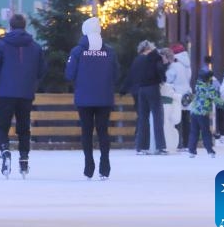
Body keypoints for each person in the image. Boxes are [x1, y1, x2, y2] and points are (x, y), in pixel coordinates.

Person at [0, 13, 45, 178]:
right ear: (24, 26)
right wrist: (31, 82)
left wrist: (3, 79)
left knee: (2, 125)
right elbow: (42, 69)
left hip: (6, 91)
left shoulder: (2, 45)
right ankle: (24, 158)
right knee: (24, 127)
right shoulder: (35, 47)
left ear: (11, 26)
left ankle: (5, 150)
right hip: (26, 93)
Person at [65, 17, 117, 179]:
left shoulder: (77, 51)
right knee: (103, 131)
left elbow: (69, 74)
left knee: (86, 132)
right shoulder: (109, 51)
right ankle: (105, 166)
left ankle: (89, 166)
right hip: (104, 97)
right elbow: (116, 73)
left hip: (84, 98)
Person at [129, 40, 167, 154]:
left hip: (141, 89)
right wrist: (163, 79)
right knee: (157, 117)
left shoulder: (137, 60)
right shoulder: (155, 57)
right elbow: (160, 69)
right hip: (153, 87)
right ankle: (160, 146)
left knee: (143, 118)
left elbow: (132, 75)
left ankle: (141, 147)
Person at [188, 69, 224, 158]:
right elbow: (216, 99)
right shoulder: (209, 88)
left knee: (194, 132)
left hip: (194, 111)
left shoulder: (197, 85)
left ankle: (191, 151)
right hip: (203, 113)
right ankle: (210, 151)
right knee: (206, 132)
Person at [165, 43, 192, 150]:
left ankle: (177, 143)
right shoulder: (187, 66)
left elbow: (168, 79)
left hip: (177, 94)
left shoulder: (174, 65)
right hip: (187, 94)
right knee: (186, 120)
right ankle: (187, 144)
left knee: (177, 120)